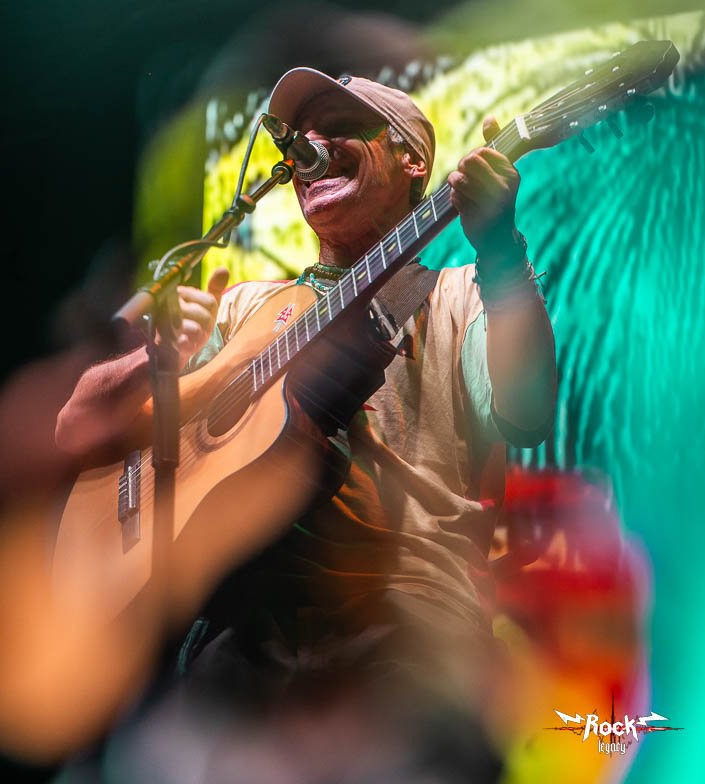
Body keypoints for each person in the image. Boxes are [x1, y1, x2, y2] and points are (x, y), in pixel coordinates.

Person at [55, 68, 557, 783]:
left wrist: (502, 256)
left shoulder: (458, 295)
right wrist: (154, 360)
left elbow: (527, 411)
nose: (311, 145)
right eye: (299, 136)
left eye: (341, 126)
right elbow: (79, 425)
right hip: (241, 625)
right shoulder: (245, 306)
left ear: (412, 160)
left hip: (403, 627)